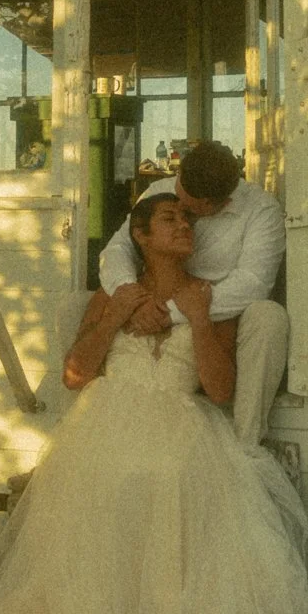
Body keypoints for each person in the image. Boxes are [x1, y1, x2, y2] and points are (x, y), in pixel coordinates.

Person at [0, 194, 308, 614]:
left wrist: (200, 319)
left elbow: (220, 390)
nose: (184, 226)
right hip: (109, 417)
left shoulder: (207, 296)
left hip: (180, 418)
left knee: (172, 475)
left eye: (188, 218)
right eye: (170, 219)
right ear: (140, 236)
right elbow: (75, 374)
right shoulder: (114, 294)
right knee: (107, 477)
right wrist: (116, 314)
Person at [98, 140, 288, 445]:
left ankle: (246, 445)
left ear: (220, 204)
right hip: (149, 307)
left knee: (269, 318)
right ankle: (73, 437)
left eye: (189, 210)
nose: (182, 216)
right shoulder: (163, 189)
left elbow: (252, 283)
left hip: (219, 315)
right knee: (74, 308)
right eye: (178, 195)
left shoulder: (261, 210)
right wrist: (132, 299)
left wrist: (172, 312)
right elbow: (120, 248)